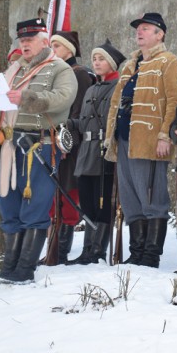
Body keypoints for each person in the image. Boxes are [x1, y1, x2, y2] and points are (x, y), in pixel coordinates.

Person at [0, 18, 78, 285]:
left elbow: (63, 100)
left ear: (44, 41)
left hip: (40, 146)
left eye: (29, 39)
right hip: (9, 145)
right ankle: (9, 269)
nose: (24, 44)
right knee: (8, 205)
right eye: (21, 40)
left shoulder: (59, 69)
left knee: (35, 207)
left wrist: (26, 98)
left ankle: (25, 270)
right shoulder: (13, 70)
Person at [104, 12, 177, 268]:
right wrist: (110, 137)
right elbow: (116, 103)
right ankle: (136, 251)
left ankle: (150, 255)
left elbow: (174, 101)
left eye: (147, 28)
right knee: (130, 199)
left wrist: (165, 135)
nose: (140, 32)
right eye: (139, 28)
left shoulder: (169, 62)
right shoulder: (129, 65)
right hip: (125, 139)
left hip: (150, 141)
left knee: (152, 199)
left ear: (160, 34)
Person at [66, 40, 125, 265]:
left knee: (103, 204)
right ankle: (87, 250)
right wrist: (69, 124)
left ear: (111, 64)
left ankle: (98, 251)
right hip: (86, 152)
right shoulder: (91, 88)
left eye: (101, 59)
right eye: (94, 59)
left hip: (105, 152)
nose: (96, 63)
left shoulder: (117, 87)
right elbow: (83, 122)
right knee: (88, 203)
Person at [49, 30, 96, 264]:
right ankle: (53, 250)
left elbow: (78, 114)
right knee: (54, 197)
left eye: (56, 46)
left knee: (67, 196)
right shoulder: (58, 74)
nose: (52, 50)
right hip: (55, 143)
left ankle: (59, 252)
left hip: (70, 146)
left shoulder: (79, 75)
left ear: (70, 49)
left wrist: (65, 141)